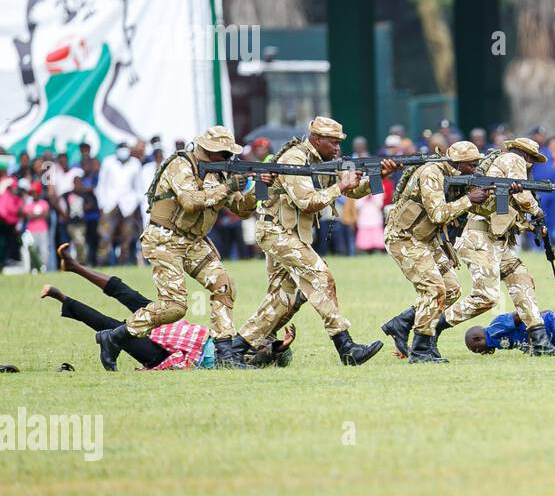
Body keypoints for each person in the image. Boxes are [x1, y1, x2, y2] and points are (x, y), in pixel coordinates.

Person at [227, 117, 395, 367]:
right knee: (320, 277)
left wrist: (377, 177)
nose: (338, 148)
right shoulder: (295, 158)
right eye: (333, 142)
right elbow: (306, 201)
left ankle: (235, 349)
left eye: (340, 143)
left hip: (289, 233)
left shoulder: (323, 160)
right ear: (316, 139)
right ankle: (345, 347)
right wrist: (339, 186)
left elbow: (351, 191)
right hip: (276, 231)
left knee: (282, 298)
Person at [93, 127, 258, 369]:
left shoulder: (220, 173)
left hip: (193, 242)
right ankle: (116, 336)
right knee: (174, 307)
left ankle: (226, 354)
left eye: (228, 154)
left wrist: (259, 188)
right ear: (208, 150)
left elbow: (242, 210)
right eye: (223, 153)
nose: (227, 158)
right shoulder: (182, 164)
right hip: (165, 239)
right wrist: (227, 186)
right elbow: (190, 202)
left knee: (224, 286)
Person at [42, 244, 293, 371]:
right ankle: (75, 267)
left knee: (113, 328)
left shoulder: (244, 362)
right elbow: (263, 333)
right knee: (128, 295)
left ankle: (63, 299)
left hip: (166, 355)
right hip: (178, 330)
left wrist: (278, 349)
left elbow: (261, 358)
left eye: (267, 347)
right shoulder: (239, 341)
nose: (262, 344)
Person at [435, 137, 555, 356]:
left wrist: (529, 225)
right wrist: (537, 211)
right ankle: (432, 327)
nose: (531, 164)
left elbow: (506, 212)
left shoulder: (503, 164)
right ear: (525, 154)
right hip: (478, 237)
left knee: (521, 281)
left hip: (495, 240)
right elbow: (523, 196)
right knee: (487, 297)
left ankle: (540, 342)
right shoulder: (513, 159)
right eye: (532, 158)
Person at [380, 140, 478, 365]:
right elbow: (438, 214)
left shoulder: (455, 175)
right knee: (434, 290)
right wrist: (468, 200)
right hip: (404, 238)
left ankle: (402, 324)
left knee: (452, 290)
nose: (475, 169)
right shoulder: (431, 173)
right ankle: (421, 350)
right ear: (458, 164)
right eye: (471, 165)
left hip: (426, 238)